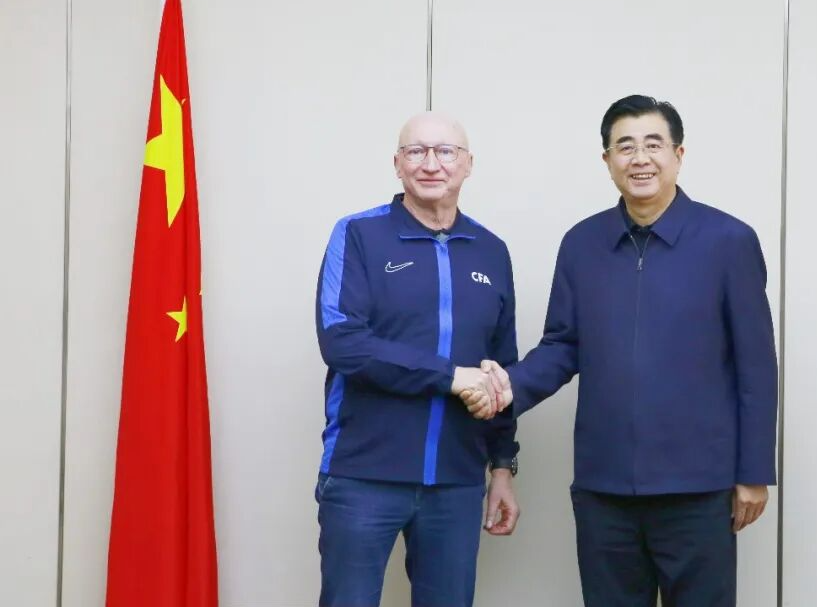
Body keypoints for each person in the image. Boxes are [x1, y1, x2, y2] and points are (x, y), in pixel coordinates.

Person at [471, 95, 778, 606]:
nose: (640, 158)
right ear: (607, 159)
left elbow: (756, 366)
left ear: (678, 154)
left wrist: (753, 473)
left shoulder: (728, 240)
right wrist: (505, 388)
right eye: (625, 146)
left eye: (653, 145)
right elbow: (561, 346)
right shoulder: (581, 243)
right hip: (604, 488)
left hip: (698, 487)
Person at [314, 112, 520, 607]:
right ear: (397, 164)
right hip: (364, 474)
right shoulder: (358, 234)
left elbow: (501, 367)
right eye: (416, 151)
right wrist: (451, 377)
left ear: (468, 164)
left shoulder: (491, 251)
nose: (431, 164)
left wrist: (502, 467)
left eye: (446, 151)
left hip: (457, 479)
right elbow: (343, 343)